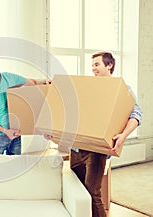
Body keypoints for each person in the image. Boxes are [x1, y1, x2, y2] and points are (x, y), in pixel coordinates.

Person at [44, 51, 142, 217]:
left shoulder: (123, 89)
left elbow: (136, 115)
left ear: (109, 65)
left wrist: (123, 135)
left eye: (97, 64)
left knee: (92, 191)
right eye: (92, 65)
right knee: (78, 190)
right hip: (76, 148)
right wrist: (55, 131)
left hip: (97, 150)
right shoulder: (87, 87)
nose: (93, 69)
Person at [0, 51, 50, 155]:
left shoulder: (8, 77)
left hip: (15, 134)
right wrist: (5, 131)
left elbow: (30, 82)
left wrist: (45, 81)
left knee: (15, 167)